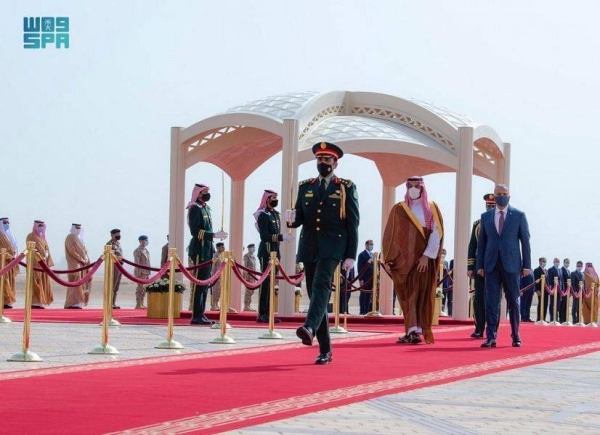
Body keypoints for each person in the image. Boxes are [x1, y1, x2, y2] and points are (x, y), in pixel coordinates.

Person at [287, 141, 359, 365]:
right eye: (319, 159)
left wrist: (350, 254)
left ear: (335, 163)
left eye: (327, 160)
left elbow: (352, 223)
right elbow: (300, 218)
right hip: (309, 246)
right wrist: (291, 218)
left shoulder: (346, 187)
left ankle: (309, 326)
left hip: (333, 246)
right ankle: (325, 350)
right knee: (315, 293)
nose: (322, 163)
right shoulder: (306, 186)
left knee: (320, 286)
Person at [382, 176, 444, 345]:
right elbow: (391, 235)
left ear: (422, 188)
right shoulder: (399, 209)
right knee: (407, 295)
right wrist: (388, 258)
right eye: (411, 186)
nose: (414, 189)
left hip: (423, 261)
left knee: (420, 295)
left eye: (417, 186)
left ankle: (416, 330)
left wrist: (426, 256)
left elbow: (437, 233)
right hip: (403, 263)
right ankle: (411, 331)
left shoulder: (431, 208)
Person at [476, 184, 531, 348]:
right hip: (491, 264)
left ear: (509, 195)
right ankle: (491, 336)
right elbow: (481, 244)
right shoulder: (486, 217)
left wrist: (526, 265)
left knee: (513, 301)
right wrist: (479, 265)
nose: (501, 196)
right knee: (491, 301)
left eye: (504, 194)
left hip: (512, 265)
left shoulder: (519, 215)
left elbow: (525, 242)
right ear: (494, 195)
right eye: (498, 194)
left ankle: (516, 335)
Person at [187, 183, 227, 325]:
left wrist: (215, 236)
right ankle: (196, 315)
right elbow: (195, 231)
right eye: (204, 192)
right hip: (199, 249)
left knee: (205, 284)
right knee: (200, 283)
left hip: (208, 249)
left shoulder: (206, 209)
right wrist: (213, 235)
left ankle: (201, 313)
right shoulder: (194, 209)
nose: (207, 194)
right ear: (198, 193)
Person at [255, 189, 293, 323]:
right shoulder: (263, 215)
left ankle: (269, 312)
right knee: (265, 283)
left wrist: (290, 221)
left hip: (275, 251)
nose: (275, 200)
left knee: (272, 283)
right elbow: (264, 236)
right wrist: (281, 237)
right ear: (267, 199)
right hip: (266, 251)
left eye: (276, 197)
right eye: (273, 198)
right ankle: (262, 313)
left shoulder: (276, 215)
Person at [467, 193, 496, 338]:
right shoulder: (478, 224)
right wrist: (470, 267)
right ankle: (479, 328)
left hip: (496, 268)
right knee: (478, 299)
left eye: (493, 206)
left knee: (494, 299)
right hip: (480, 268)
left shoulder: (501, 223)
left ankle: (493, 328)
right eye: (488, 206)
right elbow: (472, 246)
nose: (490, 208)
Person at [26, 220, 54, 308]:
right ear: (35, 226)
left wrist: (46, 254)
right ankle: (35, 302)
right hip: (35, 264)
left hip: (43, 264)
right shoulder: (31, 236)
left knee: (43, 282)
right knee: (35, 282)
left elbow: (46, 248)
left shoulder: (43, 237)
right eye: (39, 226)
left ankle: (41, 301)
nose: (41, 227)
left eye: (42, 225)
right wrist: (40, 256)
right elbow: (31, 249)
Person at [64, 223, 90, 309]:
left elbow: (84, 251)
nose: (78, 229)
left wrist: (86, 258)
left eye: (79, 228)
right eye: (77, 228)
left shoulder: (79, 239)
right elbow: (72, 251)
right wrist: (81, 259)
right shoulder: (70, 237)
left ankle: (78, 302)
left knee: (81, 284)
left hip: (82, 265)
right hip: (74, 265)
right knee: (74, 284)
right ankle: (71, 303)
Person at [0, 217, 19, 308]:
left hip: (11, 262)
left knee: (10, 281)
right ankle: (3, 301)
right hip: (2, 263)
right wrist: (9, 256)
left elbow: (15, 248)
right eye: (4, 222)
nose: (7, 224)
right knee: (4, 281)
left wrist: (14, 256)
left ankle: (8, 301)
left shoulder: (10, 235)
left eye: (8, 222)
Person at [107, 229, 123, 309]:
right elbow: (109, 255)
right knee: (112, 285)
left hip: (120, 266)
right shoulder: (109, 244)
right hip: (113, 266)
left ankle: (113, 303)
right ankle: (109, 303)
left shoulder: (118, 244)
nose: (119, 236)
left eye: (119, 234)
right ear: (112, 235)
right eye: (117, 234)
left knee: (116, 286)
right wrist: (117, 258)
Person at [357, 240, 374, 315]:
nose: (372, 246)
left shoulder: (373, 255)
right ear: (366, 245)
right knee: (363, 294)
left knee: (369, 295)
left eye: (372, 244)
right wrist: (361, 279)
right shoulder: (362, 255)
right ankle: (362, 311)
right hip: (364, 278)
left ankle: (367, 310)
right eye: (370, 244)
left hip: (371, 279)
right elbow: (360, 268)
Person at [133, 235, 150, 309]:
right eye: (143, 240)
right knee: (140, 288)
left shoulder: (146, 250)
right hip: (140, 272)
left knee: (144, 289)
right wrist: (138, 272)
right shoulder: (138, 250)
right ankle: (138, 304)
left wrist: (148, 271)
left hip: (146, 272)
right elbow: (137, 263)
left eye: (145, 240)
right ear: (139, 241)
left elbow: (148, 262)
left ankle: (142, 303)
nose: (144, 242)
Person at [547, 257, 565, 322]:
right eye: (556, 262)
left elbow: (562, 280)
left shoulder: (560, 270)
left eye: (558, 262)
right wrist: (550, 288)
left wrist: (562, 289)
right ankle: (552, 318)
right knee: (552, 304)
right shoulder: (550, 270)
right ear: (553, 262)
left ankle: (556, 318)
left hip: (559, 290)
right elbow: (549, 280)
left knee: (558, 304)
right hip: (553, 289)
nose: (557, 263)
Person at [242, 243, 258, 311]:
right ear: (249, 248)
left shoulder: (253, 256)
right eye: (253, 247)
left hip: (253, 276)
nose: (254, 249)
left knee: (251, 291)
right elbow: (245, 267)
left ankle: (249, 305)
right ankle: (246, 305)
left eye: (254, 247)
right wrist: (246, 276)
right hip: (249, 276)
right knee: (248, 291)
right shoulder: (246, 256)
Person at [210, 242, 225, 311]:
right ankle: (213, 305)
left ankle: (216, 304)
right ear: (218, 248)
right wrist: (214, 276)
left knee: (219, 291)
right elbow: (213, 266)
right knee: (215, 290)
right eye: (222, 247)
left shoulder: (222, 255)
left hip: (221, 276)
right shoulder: (215, 255)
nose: (223, 248)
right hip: (216, 276)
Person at [534, 257, 549, 322]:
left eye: (545, 261)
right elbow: (536, 281)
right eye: (543, 261)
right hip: (540, 290)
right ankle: (539, 318)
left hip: (546, 290)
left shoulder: (546, 270)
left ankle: (543, 318)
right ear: (540, 261)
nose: (544, 262)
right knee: (541, 303)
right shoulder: (536, 270)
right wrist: (537, 290)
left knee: (545, 304)